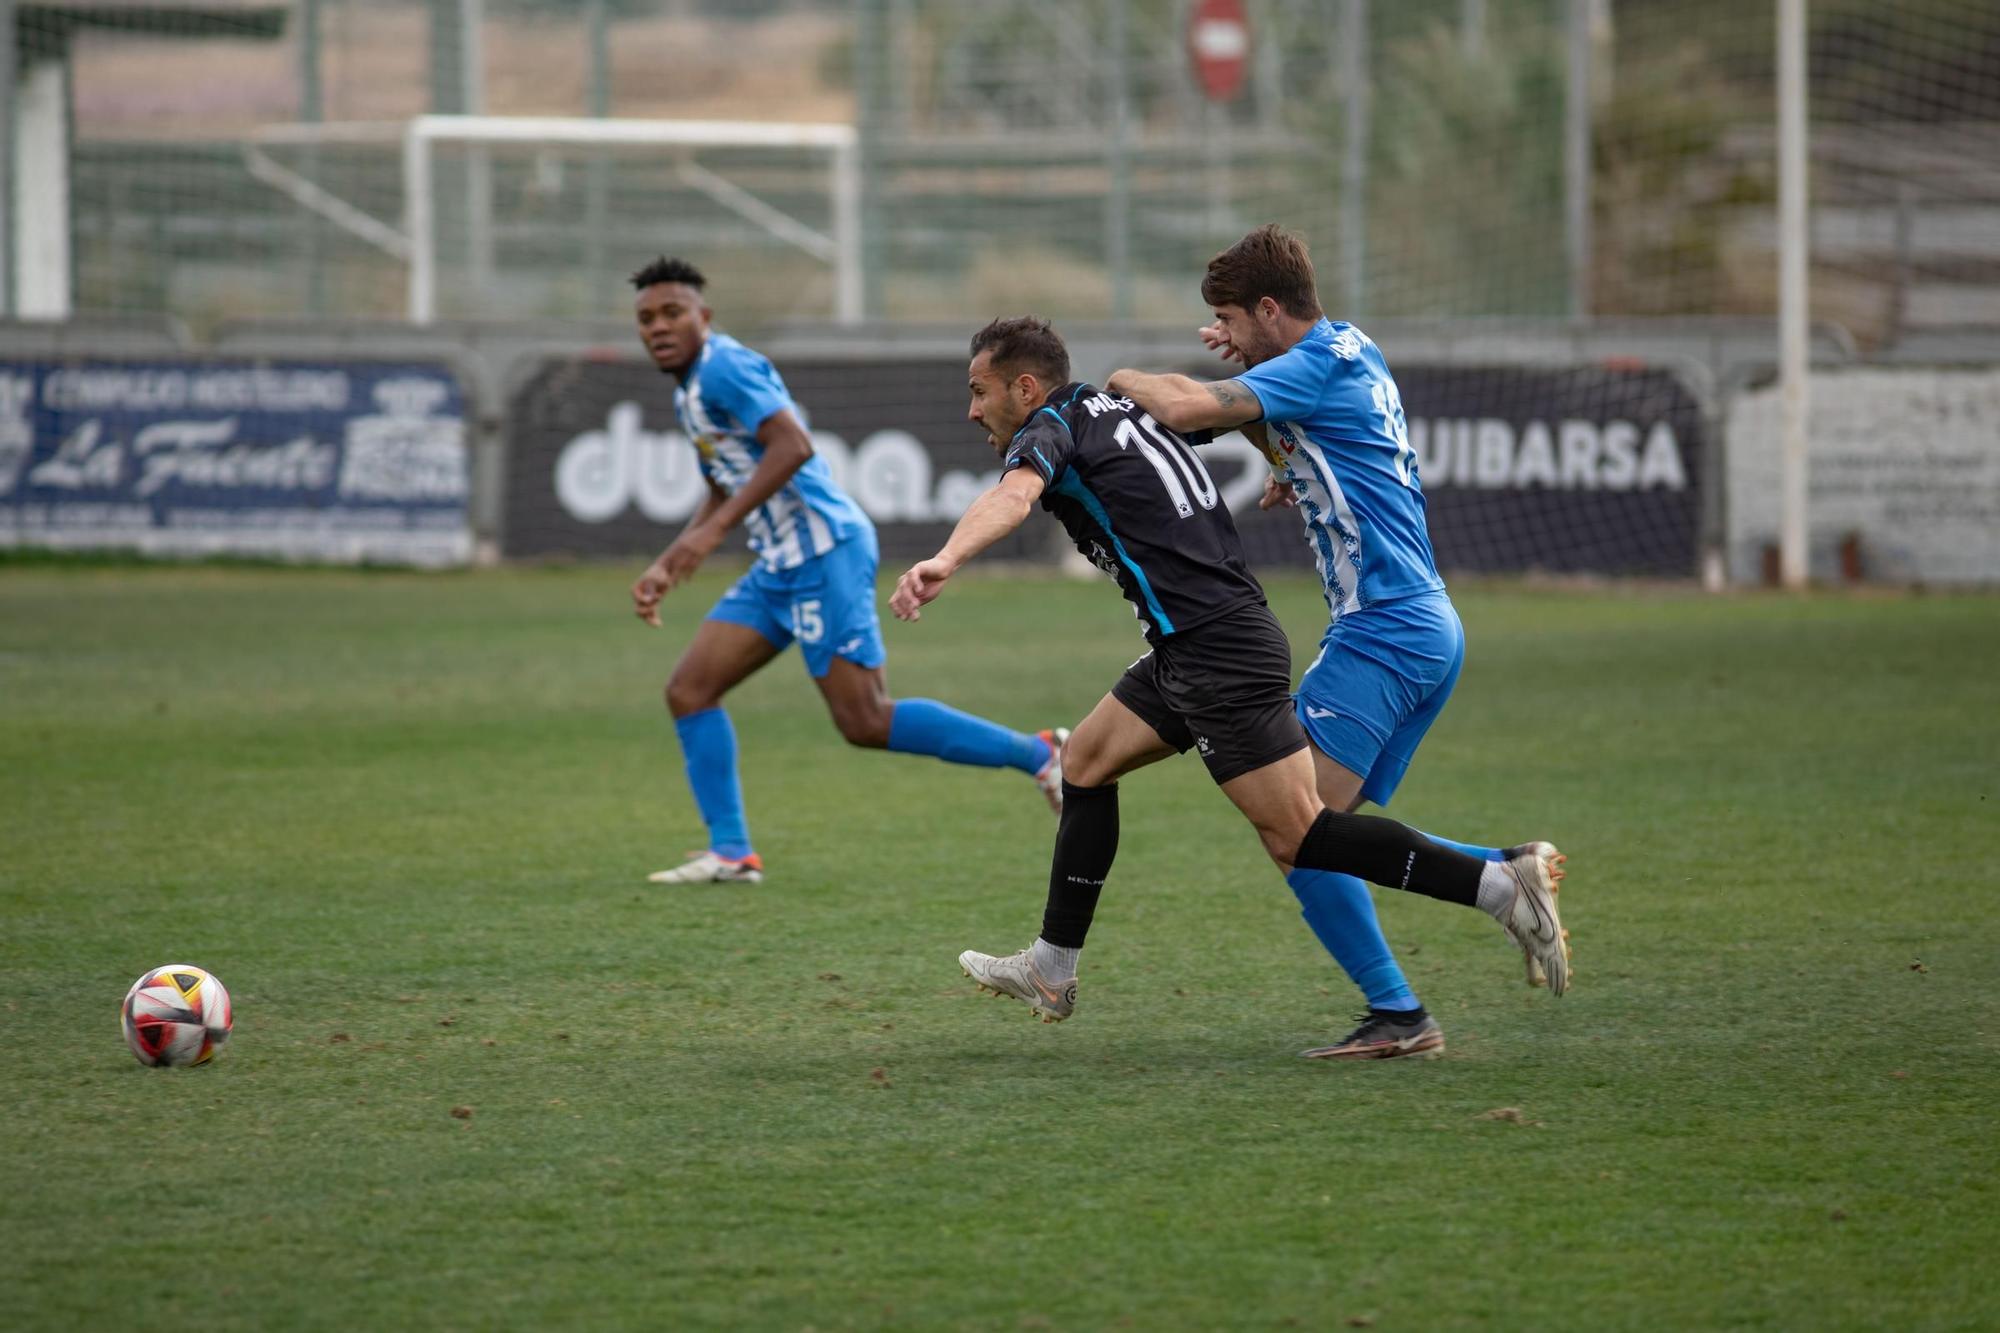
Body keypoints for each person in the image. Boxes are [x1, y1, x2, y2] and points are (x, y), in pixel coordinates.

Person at [891, 316, 1568, 1060]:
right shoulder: (1118, 412)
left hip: (1219, 650)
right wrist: (1283, 466)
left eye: (979, 391)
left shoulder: (1050, 428)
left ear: (1025, 387)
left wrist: (945, 558)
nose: (972, 410)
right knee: (1083, 762)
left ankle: (1500, 886)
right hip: (1190, 645)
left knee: (1301, 833)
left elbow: (1015, 498)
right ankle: (1052, 969)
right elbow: (1231, 431)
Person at [1105, 225, 1571, 989]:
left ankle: (1465, 922)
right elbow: (1303, 433)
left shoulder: (1312, 365)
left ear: (1266, 307)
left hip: (1382, 629)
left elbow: (1189, 409)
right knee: (1322, 829)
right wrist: (1283, 450)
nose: (1222, 335)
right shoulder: (1352, 346)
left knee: (1297, 830)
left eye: (1229, 321)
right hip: (1426, 625)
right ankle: (1435, 960)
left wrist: (1123, 377)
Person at [627, 257, 1065, 885]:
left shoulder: (725, 366)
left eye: (673, 313)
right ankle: (731, 853)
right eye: (647, 318)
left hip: (823, 551)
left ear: (704, 317)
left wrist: (712, 538)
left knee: (865, 719)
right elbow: (723, 485)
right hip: (780, 564)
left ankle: (1042, 753)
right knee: (689, 690)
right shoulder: (689, 388)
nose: (659, 327)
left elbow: (793, 446)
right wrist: (673, 560)